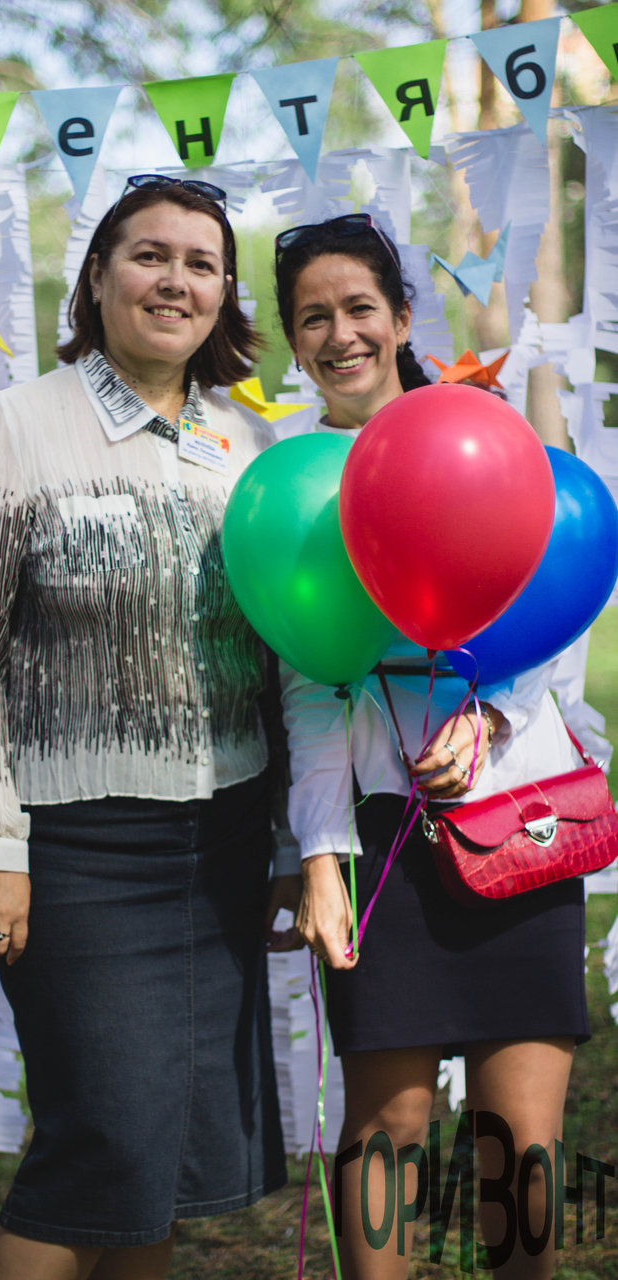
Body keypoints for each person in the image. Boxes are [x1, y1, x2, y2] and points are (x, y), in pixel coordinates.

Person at [0, 175, 291, 1280]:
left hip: (223, 841)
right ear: (96, 277)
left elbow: (275, 659)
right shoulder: (14, 427)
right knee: (100, 1142)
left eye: (201, 263)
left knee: (168, 1156)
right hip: (76, 849)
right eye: (149, 255)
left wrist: (285, 844)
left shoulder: (244, 444)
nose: (175, 280)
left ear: (223, 295)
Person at [273, 214, 589, 1280]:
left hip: (518, 818)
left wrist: (488, 715)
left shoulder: (479, 434)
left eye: (360, 307)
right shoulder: (295, 491)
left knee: (520, 1141)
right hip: (381, 838)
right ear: (293, 341)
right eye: (312, 317)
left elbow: (548, 609)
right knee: (389, 1125)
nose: (340, 334)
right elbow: (308, 694)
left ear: (402, 318)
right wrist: (320, 857)